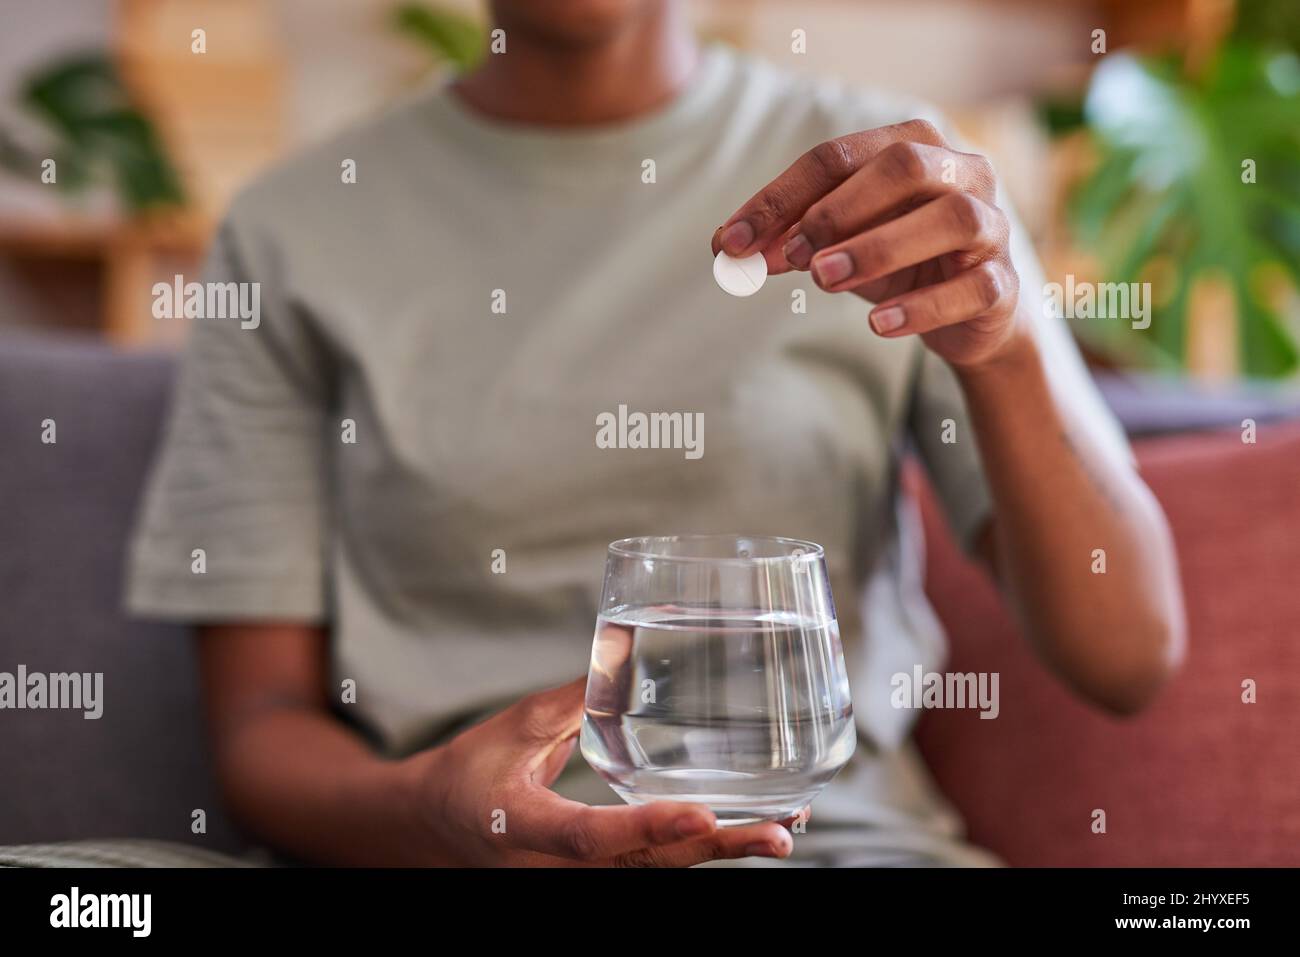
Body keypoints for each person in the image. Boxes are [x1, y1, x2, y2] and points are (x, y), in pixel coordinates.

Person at [124, 0, 1185, 867]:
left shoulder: (896, 189)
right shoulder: (294, 229)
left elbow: (1128, 656)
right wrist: (432, 815)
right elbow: (261, 723)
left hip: (831, 852)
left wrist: (1004, 355)